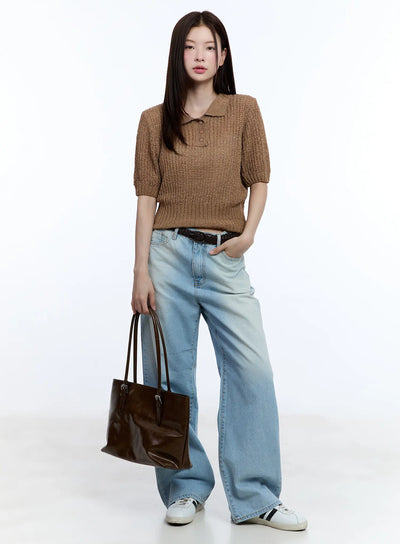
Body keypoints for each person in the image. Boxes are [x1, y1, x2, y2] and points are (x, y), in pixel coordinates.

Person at [131, 10, 308, 531]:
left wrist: (247, 236)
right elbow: (145, 201)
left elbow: (260, 179)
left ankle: (255, 497)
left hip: (224, 256)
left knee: (253, 371)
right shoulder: (153, 120)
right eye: (190, 47)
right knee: (169, 379)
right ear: (178, 55)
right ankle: (184, 488)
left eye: (209, 47)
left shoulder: (244, 110)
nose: (200, 56)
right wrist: (140, 271)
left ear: (223, 56)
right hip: (165, 256)